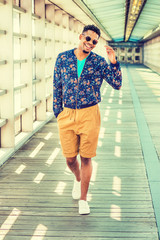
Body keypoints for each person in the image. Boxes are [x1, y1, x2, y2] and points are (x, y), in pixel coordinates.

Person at [53, 25, 122, 215]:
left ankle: (83, 199)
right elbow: (57, 85)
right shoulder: (63, 58)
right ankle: (77, 178)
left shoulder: (99, 62)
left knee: (86, 157)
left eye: (94, 42)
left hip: (89, 114)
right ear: (81, 36)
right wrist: (58, 112)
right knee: (69, 158)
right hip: (67, 114)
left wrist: (114, 63)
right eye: (88, 39)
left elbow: (116, 84)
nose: (91, 43)